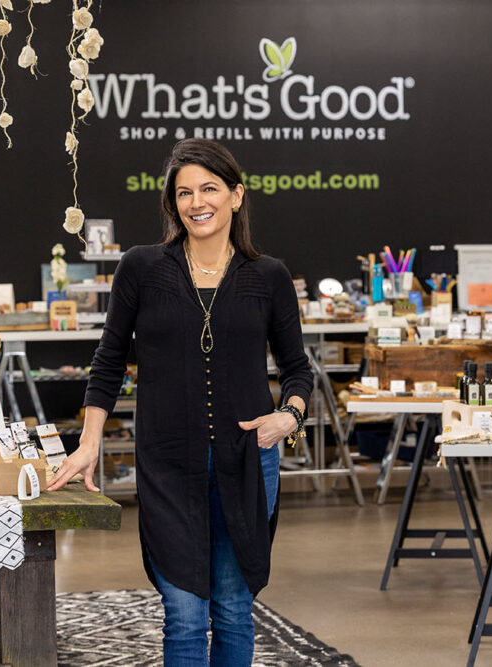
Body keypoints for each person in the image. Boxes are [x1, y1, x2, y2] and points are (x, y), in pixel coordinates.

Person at [48, 138, 312, 666]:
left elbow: (297, 370)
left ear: (236, 196)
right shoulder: (142, 268)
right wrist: (89, 443)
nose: (197, 202)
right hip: (168, 461)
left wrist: (290, 415)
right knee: (185, 612)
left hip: (247, 460)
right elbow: (108, 361)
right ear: (172, 203)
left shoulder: (269, 276)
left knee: (235, 608)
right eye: (184, 192)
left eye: (209, 188)